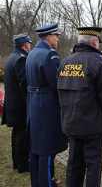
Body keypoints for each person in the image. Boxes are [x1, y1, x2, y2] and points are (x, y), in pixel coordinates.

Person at [57, 27, 102, 187]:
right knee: (93, 165)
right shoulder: (101, 63)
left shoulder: (65, 62)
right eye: (98, 43)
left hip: (70, 123)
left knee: (74, 164)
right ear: (94, 42)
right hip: (92, 127)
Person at [26, 23, 67, 187]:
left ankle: (36, 182)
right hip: (47, 106)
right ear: (48, 36)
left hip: (33, 104)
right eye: (56, 35)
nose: (57, 39)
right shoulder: (50, 55)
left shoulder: (31, 53)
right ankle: (46, 183)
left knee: (35, 148)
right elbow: (57, 85)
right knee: (46, 150)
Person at [2, 34, 32, 173]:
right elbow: (24, 84)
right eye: (29, 43)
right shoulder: (21, 59)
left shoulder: (11, 58)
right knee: (22, 136)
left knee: (16, 135)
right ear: (24, 45)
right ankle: (22, 164)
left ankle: (17, 162)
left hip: (13, 104)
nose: (30, 46)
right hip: (20, 105)